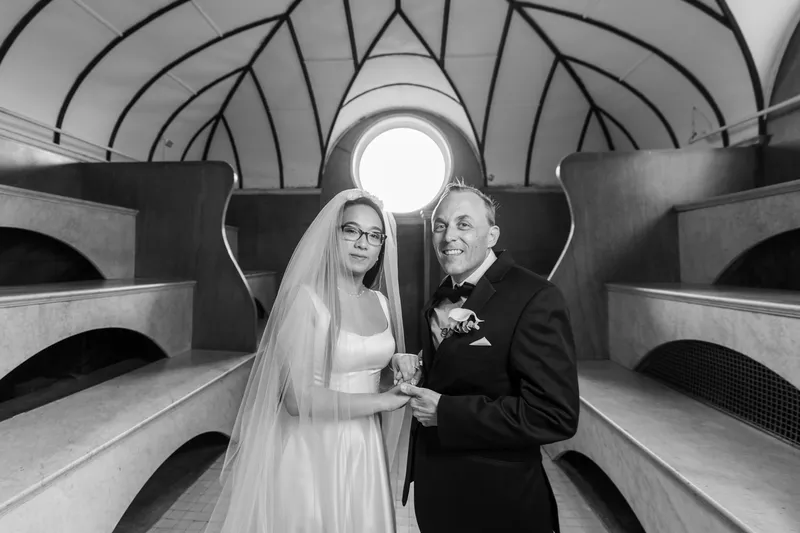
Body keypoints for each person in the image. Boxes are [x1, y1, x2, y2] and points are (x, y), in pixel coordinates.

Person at [205, 189, 419, 533]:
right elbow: (296, 398)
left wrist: (396, 357)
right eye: (351, 230)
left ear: (382, 246)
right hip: (313, 448)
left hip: (364, 446)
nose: (363, 243)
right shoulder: (306, 299)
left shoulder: (379, 301)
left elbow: (357, 354)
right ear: (332, 236)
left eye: (374, 235)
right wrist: (381, 400)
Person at [400, 181, 580, 533]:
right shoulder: (439, 297)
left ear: (492, 235)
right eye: (440, 225)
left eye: (463, 224)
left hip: (499, 502)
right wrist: (419, 364)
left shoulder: (535, 297)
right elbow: (459, 369)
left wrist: (447, 413)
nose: (449, 235)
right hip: (438, 496)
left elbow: (554, 415)